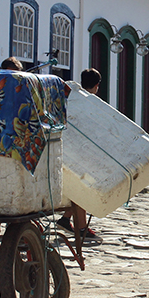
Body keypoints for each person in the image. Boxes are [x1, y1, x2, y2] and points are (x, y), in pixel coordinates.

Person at [58, 68, 103, 240]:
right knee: (82, 188)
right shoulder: (93, 103)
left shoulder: (72, 98)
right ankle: (82, 227)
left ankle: (65, 219)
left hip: (67, 147)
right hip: (83, 152)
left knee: (76, 187)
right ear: (97, 85)